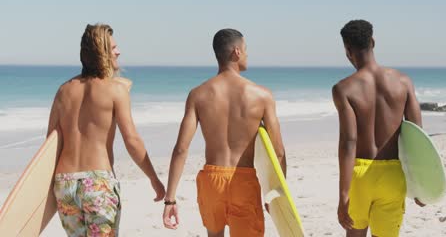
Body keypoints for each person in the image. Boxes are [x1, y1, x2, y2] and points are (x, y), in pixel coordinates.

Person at [162, 28, 286, 237]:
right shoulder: (262, 95)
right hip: (243, 179)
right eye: (246, 50)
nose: (247, 55)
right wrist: (278, 194)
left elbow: (181, 149)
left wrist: (170, 199)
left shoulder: (198, 94)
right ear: (237, 52)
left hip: (212, 180)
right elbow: (278, 151)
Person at [47, 23, 165, 236]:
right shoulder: (115, 91)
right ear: (101, 52)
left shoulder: (63, 91)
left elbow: (51, 144)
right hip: (97, 183)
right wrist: (154, 179)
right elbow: (132, 141)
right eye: (113, 48)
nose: (118, 52)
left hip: (64, 183)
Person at [332, 19, 425, 237]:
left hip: (360, 175)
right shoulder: (403, 82)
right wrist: (420, 185)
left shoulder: (343, 89)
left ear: (347, 50)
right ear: (373, 42)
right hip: (393, 174)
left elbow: (348, 142)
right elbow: (417, 137)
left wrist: (343, 194)